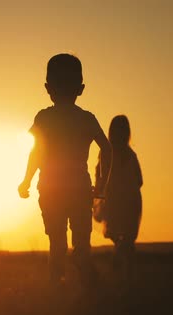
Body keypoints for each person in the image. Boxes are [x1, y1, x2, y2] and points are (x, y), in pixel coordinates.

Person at [18, 54, 111, 284]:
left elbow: (36, 152)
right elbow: (107, 150)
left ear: (48, 88)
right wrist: (101, 185)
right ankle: (87, 285)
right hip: (79, 189)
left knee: (56, 243)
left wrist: (26, 181)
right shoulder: (87, 119)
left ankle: (56, 286)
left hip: (50, 190)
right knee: (81, 243)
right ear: (81, 89)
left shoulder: (44, 118)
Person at [95, 115, 142, 282]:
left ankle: (119, 270)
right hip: (131, 201)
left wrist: (98, 195)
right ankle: (127, 275)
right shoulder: (132, 155)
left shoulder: (105, 153)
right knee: (128, 239)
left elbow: (100, 178)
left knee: (118, 237)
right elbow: (140, 180)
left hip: (114, 201)